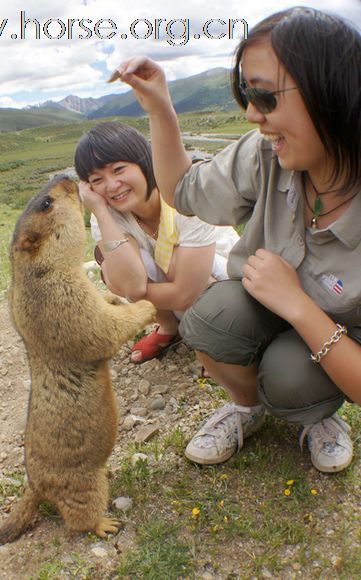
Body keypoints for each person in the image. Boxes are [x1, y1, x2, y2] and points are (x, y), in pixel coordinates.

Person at [110, 6, 361, 473]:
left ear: (332, 92)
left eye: (265, 97)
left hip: (344, 331)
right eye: (245, 94)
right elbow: (183, 189)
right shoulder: (266, 153)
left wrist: (299, 307)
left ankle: (319, 416)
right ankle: (248, 408)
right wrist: (161, 108)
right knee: (209, 318)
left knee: (289, 378)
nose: (250, 114)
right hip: (269, 301)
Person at [74, 121, 239, 364]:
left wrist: (124, 288)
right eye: (96, 179)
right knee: (120, 268)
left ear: (144, 162)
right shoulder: (106, 213)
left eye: (119, 169)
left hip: (230, 283)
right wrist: (98, 211)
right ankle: (169, 327)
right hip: (176, 292)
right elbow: (131, 283)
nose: (111, 185)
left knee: (163, 264)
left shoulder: (182, 195)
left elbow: (183, 293)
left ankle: (221, 338)